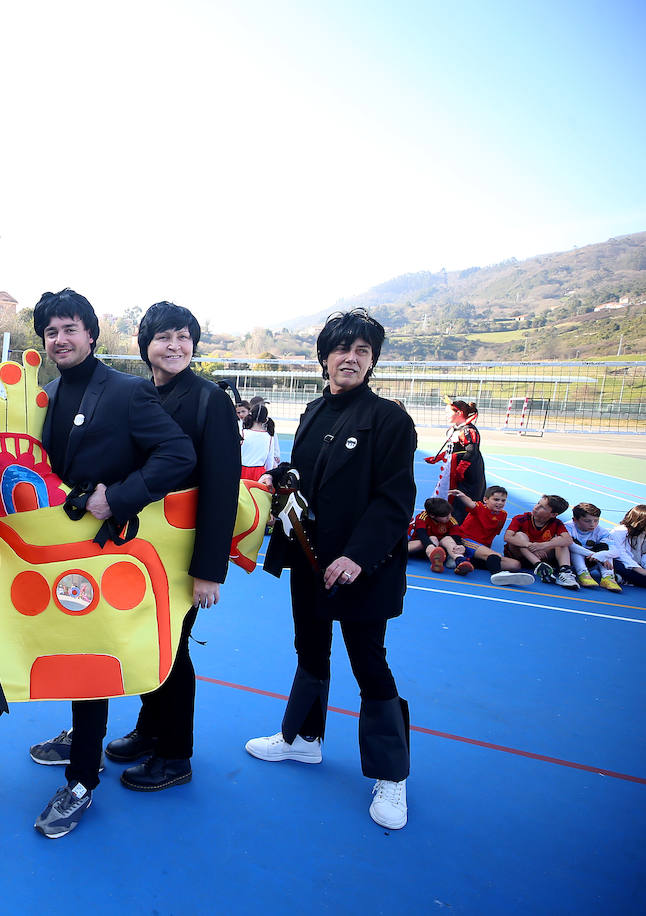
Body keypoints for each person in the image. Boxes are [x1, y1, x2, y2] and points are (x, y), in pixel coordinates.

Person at [9, 289, 194, 838]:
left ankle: (82, 779)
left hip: (106, 552)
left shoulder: (127, 392)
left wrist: (118, 497)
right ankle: (79, 734)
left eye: (70, 329)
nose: (59, 340)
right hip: (55, 552)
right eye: (50, 332)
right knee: (63, 648)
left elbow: (178, 454)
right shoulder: (43, 397)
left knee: (89, 659)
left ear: (91, 335)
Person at [248, 308, 415, 831]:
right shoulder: (315, 412)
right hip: (309, 559)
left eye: (362, 351)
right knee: (310, 650)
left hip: (360, 568)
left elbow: (394, 501)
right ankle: (302, 741)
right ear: (325, 358)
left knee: (369, 663)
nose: (351, 358)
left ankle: (392, 775)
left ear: (372, 361)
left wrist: (357, 557)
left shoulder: (390, 419)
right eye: (342, 349)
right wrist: (284, 480)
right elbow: (311, 479)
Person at [81, 301, 238, 793]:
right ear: (145, 346)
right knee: (149, 643)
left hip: (182, 551)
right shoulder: (142, 394)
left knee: (175, 648)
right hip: (142, 547)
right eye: (164, 338)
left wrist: (208, 569)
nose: (175, 347)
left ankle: (176, 753)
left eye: (184, 337)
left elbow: (221, 488)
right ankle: (151, 730)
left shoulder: (209, 399)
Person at [447, 486, 535, 586]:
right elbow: (470, 503)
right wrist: (461, 495)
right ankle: (496, 575)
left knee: (515, 565)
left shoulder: (503, 515)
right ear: (485, 500)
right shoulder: (480, 508)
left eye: (503, 500)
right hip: (466, 540)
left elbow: (492, 534)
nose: (500, 503)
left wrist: (487, 550)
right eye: (496, 499)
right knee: (494, 556)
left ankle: (466, 561)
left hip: (482, 547)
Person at [425, 399, 485, 524]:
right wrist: (438, 458)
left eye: (448, 412)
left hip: (468, 473)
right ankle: (447, 524)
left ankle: (461, 528)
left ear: (459, 413)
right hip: (453, 470)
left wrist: (461, 469)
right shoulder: (455, 429)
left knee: (462, 499)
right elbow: (452, 450)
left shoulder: (468, 430)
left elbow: (471, 451)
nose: (446, 415)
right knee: (450, 495)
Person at [504, 495, 577, 589]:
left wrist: (543, 545)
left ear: (553, 514)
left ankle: (565, 572)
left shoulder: (556, 523)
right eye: (538, 503)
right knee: (520, 536)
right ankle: (539, 566)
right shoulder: (521, 518)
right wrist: (531, 546)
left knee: (560, 540)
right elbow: (507, 537)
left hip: (543, 555)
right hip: (520, 556)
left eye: (542, 507)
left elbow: (568, 540)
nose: (536, 507)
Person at [567, 502, 622, 591]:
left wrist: (601, 555)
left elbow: (616, 551)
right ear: (575, 520)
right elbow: (571, 546)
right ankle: (583, 574)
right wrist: (596, 555)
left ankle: (608, 577)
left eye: (596, 520)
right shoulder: (568, 527)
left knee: (604, 548)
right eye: (587, 521)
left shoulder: (602, 532)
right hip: (570, 561)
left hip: (591, 561)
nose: (592, 524)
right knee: (574, 545)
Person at [406, 497, 470, 574]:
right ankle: (399, 553)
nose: (449, 517)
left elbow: (456, 536)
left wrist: (460, 546)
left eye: (450, 513)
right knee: (432, 538)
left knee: (448, 539)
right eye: (445, 516)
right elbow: (422, 535)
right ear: (432, 515)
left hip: (441, 550)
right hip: (422, 547)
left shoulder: (451, 520)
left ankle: (459, 559)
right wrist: (431, 546)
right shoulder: (422, 518)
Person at [240, 402, 281, 481]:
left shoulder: (243, 433)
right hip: (259, 474)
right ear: (265, 419)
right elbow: (270, 461)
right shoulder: (269, 437)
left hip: (241, 471)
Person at [608, 505, 646, 588]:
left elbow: (644, 553)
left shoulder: (643, 533)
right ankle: (624, 578)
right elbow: (620, 554)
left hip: (636, 564)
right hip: (620, 562)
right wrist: (639, 570)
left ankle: (623, 579)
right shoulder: (620, 531)